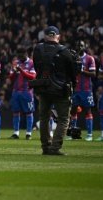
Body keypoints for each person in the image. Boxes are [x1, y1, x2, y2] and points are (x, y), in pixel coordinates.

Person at [32, 26, 76, 156]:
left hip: (43, 87)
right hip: (60, 90)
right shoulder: (64, 51)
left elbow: (36, 67)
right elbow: (72, 72)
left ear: (45, 36)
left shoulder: (38, 49)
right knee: (63, 119)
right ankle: (55, 148)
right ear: (58, 36)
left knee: (44, 118)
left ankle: (45, 146)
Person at [70, 41, 96, 141]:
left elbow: (93, 74)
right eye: (77, 45)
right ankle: (73, 134)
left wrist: (81, 71)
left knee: (88, 110)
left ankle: (89, 134)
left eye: (81, 45)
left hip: (86, 89)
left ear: (84, 47)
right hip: (75, 89)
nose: (79, 47)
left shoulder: (89, 58)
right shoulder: (72, 58)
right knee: (73, 110)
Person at [8, 47, 36, 140]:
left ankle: (28, 133)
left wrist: (21, 71)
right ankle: (16, 133)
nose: (20, 58)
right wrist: (14, 72)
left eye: (21, 56)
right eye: (18, 56)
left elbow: (32, 77)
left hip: (27, 91)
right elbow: (10, 78)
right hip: (16, 91)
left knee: (29, 112)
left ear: (26, 54)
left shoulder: (32, 63)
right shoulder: (16, 62)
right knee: (16, 112)